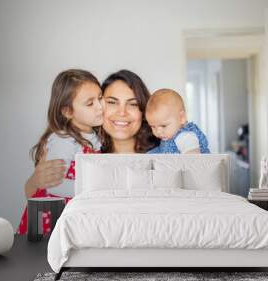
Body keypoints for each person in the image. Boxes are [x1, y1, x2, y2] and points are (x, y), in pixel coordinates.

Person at [23, 69, 158, 200]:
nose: (122, 112)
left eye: (133, 104)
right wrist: (34, 182)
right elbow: (43, 194)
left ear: (143, 111)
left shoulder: (160, 155)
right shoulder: (84, 148)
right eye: (111, 102)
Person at [17, 69, 103, 235]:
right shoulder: (63, 140)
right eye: (90, 103)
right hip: (54, 213)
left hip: (76, 210)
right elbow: (55, 185)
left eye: (100, 98)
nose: (100, 107)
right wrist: (92, 190)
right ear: (67, 111)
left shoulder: (94, 136)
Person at [145, 88, 210, 154]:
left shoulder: (185, 137)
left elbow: (193, 159)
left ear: (181, 118)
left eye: (163, 126)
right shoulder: (168, 135)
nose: (158, 132)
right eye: (153, 127)